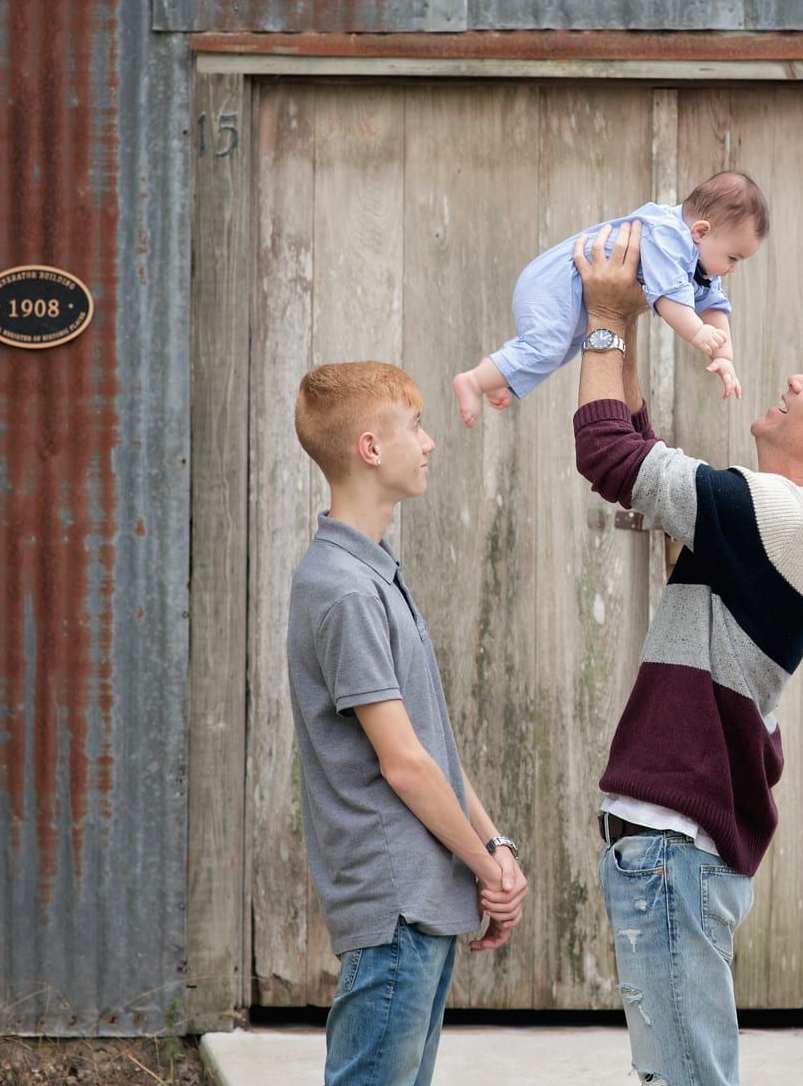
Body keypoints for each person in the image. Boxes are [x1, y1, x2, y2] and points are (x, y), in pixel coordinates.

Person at [570, 220, 803, 1086]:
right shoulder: (772, 516)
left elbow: (607, 451)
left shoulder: (786, 518)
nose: (795, 377)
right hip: (675, 852)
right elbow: (642, 443)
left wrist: (605, 321)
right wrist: (641, 315)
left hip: (672, 848)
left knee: (686, 1078)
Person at [287, 361, 530, 1086]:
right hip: (394, 907)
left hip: (422, 904)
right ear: (369, 447)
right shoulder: (342, 590)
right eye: (416, 426)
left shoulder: (374, 573)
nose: (427, 444)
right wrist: (487, 870)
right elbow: (403, 764)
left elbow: (433, 751)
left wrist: (494, 847)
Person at [451, 170, 769, 426]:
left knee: (563, 348)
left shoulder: (698, 264)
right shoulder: (668, 236)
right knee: (547, 347)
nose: (732, 269)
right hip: (554, 282)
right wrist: (698, 333)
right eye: (733, 257)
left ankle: (501, 378)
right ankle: (473, 381)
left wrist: (725, 358)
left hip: (570, 291)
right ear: (701, 231)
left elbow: (714, 307)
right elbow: (670, 301)